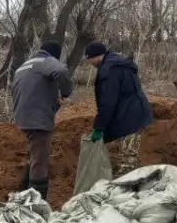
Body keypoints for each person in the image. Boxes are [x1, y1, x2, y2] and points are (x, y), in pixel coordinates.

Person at [77, 42, 153, 193]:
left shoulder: (108, 70)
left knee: (127, 159)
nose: (90, 64)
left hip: (131, 116)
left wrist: (98, 128)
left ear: (94, 57)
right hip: (135, 111)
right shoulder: (118, 62)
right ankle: (136, 188)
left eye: (89, 60)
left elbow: (107, 103)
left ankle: (125, 195)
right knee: (129, 154)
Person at [11, 40, 74, 201]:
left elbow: (29, 90)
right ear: (55, 55)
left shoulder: (25, 66)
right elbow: (60, 71)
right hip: (38, 120)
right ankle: (36, 203)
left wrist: (53, 100)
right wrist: (66, 92)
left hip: (21, 117)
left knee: (33, 155)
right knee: (40, 161)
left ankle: (23, 192)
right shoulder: (48, 61)